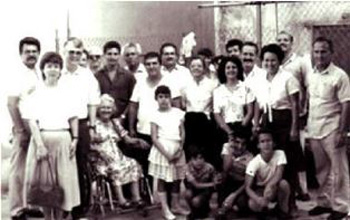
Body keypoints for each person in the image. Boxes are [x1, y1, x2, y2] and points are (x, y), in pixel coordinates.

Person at [24, 52, 80, 220]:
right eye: (49, 66)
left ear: (60, 69)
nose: (53, 70)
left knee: (64, 184)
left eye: (56, 66)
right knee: (45, 185)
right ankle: (48, 218)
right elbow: (32, 121)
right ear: (43, 69)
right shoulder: (35, 92)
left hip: (64, 140)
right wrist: (40, 145)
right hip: (43, 141)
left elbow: (73, 117)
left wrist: (75, 139)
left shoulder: (68, 92)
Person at [253, 43, 303, 211]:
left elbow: (295, 105)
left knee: (288, 162)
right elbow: (259, 105)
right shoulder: (260, 80)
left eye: (273, 60)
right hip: (268, 122)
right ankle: (273, 201)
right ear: (262, 62)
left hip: (285, 121)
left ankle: (291, 204)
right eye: (266, 60)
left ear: (279, 61)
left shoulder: (288, 77)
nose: (269, 64)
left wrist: (294, 129)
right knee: (270, 160)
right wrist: (256, 124)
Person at [306, 37, 350, 220]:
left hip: (332, 128)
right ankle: (323, 202)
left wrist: (342, 131)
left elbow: (346, 104)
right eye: (316, 51)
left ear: (331, 52)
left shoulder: (340, 76)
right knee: (321, 170)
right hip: (314, 129)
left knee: (339, 169)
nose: (319, 55)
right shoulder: (311, 74)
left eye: (323, 51)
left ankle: (341, 207)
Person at [60, 37, 101, 218]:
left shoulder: (86, 75)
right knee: (60, 168)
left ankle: (80, 211)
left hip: (82, 125)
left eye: (78, 53)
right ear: (64, 51)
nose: (75, 56)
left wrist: (92, 126)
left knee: (81, 168)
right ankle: (61, 207)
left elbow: (93, 102)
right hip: (59, 127)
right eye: (71, 52)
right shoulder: (55, 72)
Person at [7, 36, 43, 220]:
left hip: (36, 126)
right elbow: (12, 104)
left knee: (33, 168)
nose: (31, 54)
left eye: (34, 51)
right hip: (23, 127)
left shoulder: (37, 72)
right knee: (19, 170)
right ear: (21, 54)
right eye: (27, 51)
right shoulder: (17, 74)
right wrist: (20, 130)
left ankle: (30, 205)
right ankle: (16, 210)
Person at [90, 94, 145, 209]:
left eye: (109, 107)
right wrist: (98, 149)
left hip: (117, 156)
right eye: (103, 107)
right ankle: (121, 200)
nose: (106, 110)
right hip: (101, 159)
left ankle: (136, 198)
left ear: (113, 109)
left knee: (133, 163)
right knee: (115, 167)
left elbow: (127, 140)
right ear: (98, 109)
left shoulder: (115, 123)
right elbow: (89, 145)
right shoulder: (93, 124)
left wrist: (139, 141)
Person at [276, 30, 310, 201]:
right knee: (285, 154)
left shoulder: (301, 62)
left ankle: (303, 190)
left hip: (298, 114)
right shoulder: (275, 61)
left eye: (285, 40)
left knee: (298, 153)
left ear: (291, 42)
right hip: (280, 117)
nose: (282, 43)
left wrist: (305, 109)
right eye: (279, 40)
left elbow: (308, 85)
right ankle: (291, 189)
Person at [148, 85, 189, 220]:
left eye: (166, 97)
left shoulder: (177, 113)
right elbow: (154, 137)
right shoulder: (154, 115)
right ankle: (165, 208)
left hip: (177, 149)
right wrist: (166, 155)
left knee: (177, 178)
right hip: (162, 150)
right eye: (161, 97)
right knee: (162, 179)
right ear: (156, 99)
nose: (164, 100)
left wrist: (180, 149)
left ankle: (175, 205)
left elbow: (182, 133)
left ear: (170, 98)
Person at [245, 129, 291, 219]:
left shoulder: (280, 154)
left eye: (268, 141)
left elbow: (279, 173)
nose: (266, 144)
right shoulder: (254, 162)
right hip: (260, 188)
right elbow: (247, 187)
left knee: (284, 184)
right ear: (258, 145)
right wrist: (258, 199)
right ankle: (264, 210)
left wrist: (270, 186)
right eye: (262, 141)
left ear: (274, 143)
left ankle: (283, 210)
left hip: (274, 185)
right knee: (252, 204)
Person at [213, 56, 255, 155]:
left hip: (243, 127)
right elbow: (217, 113)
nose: (231, 70)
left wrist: (240, 129)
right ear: (223, 70)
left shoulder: (245, 88)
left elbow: (250, 112)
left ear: (238, 69)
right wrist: (229, 132)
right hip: (225, 129)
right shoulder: (218, 91)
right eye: (228, 68)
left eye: (234, 67)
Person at [181, 56, 218, 165]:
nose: (196, 68)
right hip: (190, 122)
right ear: (189, 68)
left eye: (199, 66)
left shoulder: (212, 84)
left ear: (204, 68)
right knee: (190, 152)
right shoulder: (185, 85)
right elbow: (183, 105)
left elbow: (214, 104)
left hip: (205, 123)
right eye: (193, 66)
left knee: (206, 153)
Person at [217, 123, 253, 217]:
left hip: (241, 185)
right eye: (237, 142)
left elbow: (247, 182)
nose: (240, 147)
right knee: (221, 179)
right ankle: (226, 205)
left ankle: (234, 205)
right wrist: (231, 149)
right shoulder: (227, 147)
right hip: (228, 180)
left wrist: (234, 195)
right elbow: (225, 169)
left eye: (244, 144)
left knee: (242, 204)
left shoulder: (250, 157)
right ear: (233, 141)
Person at [96, 41, 136, 119]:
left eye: (115, 54)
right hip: (102, 120)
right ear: (104, 55)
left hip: (123, 120)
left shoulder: (128, 76)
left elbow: (132, 100)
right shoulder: (97, 76)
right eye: (109, 54)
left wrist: (123, 116)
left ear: (119, 56)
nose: (112, 57)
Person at [184, 146, 220, 219]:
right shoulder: (187, 168)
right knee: (187, 194)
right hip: (193, 188)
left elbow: (217, 183)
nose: (199, 161)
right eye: (195, 159)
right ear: (190, 160)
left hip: (206, 191)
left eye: (201, 158)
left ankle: (205, 209)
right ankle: (193, 212)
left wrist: (215, 183)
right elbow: (196, 185)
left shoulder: (209, 167)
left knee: (196, 201)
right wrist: (213, 184)